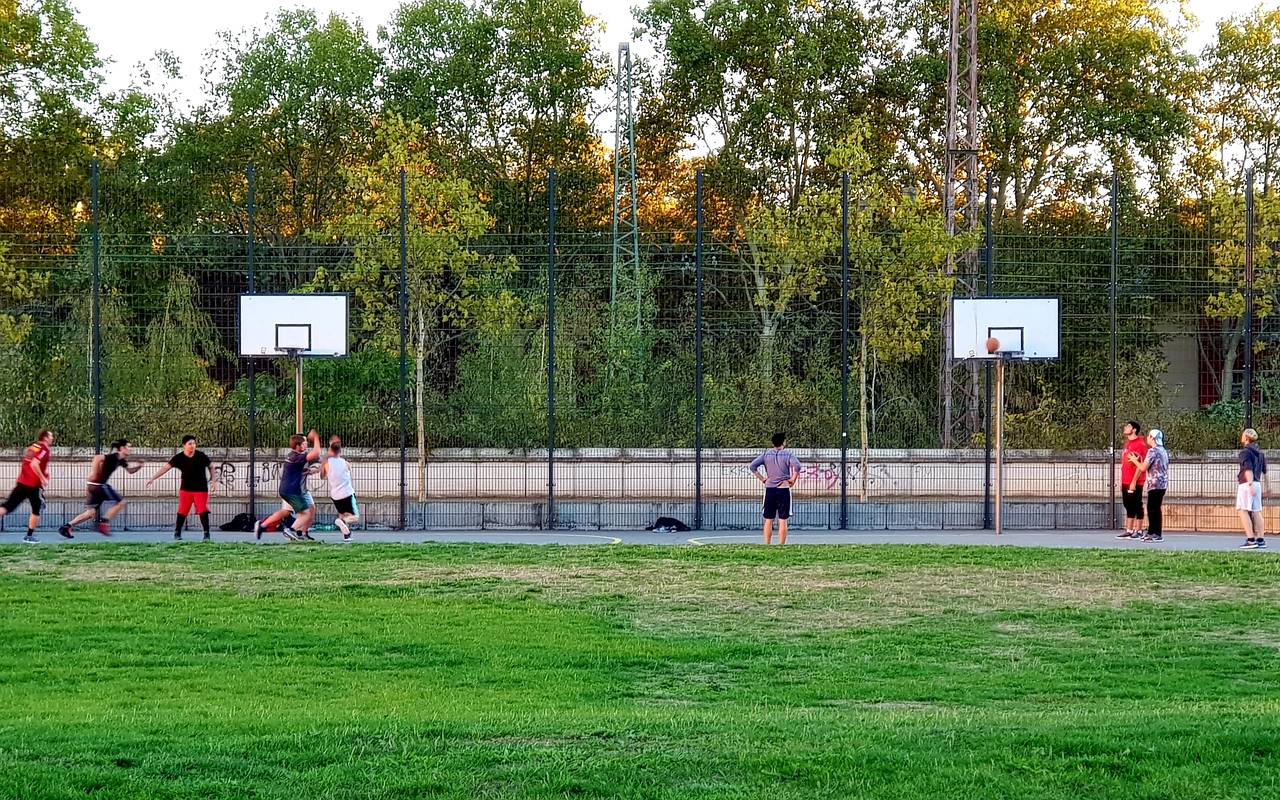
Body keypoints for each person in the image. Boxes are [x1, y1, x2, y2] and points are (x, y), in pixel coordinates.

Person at [58, 438, 144, 538]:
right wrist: (94, 472)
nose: (131, 449)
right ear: (122, 448)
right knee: (121, 502)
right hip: (99, 485)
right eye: (128, 447)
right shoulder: (113, 457)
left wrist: (139, 466)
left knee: (90, 513)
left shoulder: (121, 460)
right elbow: (97, 458)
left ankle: (66, 527)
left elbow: (130, 471)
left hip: (93, 485)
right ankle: (104, 522)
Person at [253, 430, 323, 542]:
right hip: (293, 491)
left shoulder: (293, 456)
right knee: (304, 514)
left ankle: (264, 526)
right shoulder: (298, 456)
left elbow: (315, 461)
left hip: (291, 489)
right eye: (304, 443)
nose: (306, 444)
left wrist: (312, 470)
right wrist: (315, 437)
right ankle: (291, 530)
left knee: (303, 511)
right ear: (297, 446)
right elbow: (316, 453)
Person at [146, 435, 216, 540]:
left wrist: (213, 480)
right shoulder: (179, 458)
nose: (193, 446)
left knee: (202, 510)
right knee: (182, 511)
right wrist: (153, 478)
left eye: (194, 443)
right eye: (190, 444)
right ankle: (177, 532)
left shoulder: (201, 456)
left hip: (201, 489)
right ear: (184, 445)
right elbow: (165, 468)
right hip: (185, 490)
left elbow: (211, 466)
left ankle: (206, 534)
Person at [0, 430, 54, 543]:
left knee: (8, 506)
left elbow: (29, 463)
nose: (52, 438)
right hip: (33, 485)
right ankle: (29, 536)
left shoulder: (33, 447)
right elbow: (34, 464)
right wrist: (43, 478)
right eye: (51, 436)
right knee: (36, 509)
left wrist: (43, 473)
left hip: (22, 482)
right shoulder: (44, 449)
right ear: (45, 438)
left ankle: (29, 536)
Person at [749, 432, 801, 545]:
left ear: (773, 442)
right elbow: (797, 466)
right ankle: (781, 545)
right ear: (784, 442)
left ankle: (767, 544)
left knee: (768, 519)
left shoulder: (766, 455)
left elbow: (752, 466)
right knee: (783, 520)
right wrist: (793, 479)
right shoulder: (788, 455)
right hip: (783, 488)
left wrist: (763, 479)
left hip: (770, 489)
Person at [1128, 429, 1168, 543]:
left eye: (1149, 436)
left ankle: (1154, 533)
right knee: (1156, 508)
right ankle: (1155, 533)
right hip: (1162, 483)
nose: (1147, 438)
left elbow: (1143, 467)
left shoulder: (1152, 451)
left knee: (1152, 509)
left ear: (1153, 438)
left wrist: (1134, 460)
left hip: (1155, 484)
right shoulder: (1163, 450)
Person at [1116, 420, 1149, 540]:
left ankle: (1138, 530)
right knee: (1128, 504)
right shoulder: (1128, 443)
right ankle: (1129, 530)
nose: (1125, 427)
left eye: (1128, 426)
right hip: (1126, 479)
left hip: (1135, 481)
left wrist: (1134, 481)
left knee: (1136, 504)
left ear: (1134, 429)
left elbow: (1141, 464)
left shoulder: (1140, 444)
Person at [320, 441, 359, 542]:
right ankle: (340, 521)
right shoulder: (345, 463)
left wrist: (324, 463)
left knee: (342, 513)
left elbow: (322, 476)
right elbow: (349, 471)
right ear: (340, 451)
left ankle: (347, 535)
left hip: (335, 495)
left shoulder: (327, 464)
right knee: (355, 517)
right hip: (347, 493)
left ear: (330, 451)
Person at [1237, 428, 1268, 550]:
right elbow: (1264, 471)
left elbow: (1247, 468)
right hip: (1257, 483)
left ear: (1246, 438)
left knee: (1242, 510)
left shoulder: (1245, 452)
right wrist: (1268, 487)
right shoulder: (1260, 453)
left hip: (1246, 484)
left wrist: (1249, 485)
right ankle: (1261, 539)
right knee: (1256, 511)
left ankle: (1250, 540)